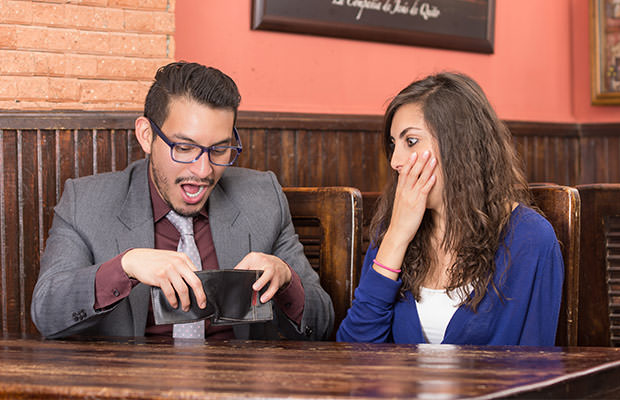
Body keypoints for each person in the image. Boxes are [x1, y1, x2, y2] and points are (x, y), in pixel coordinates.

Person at [31, 61, 334, 340]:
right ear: (147, 135)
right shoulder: (85, 202)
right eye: (185, 148)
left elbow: (320, 326)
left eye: (219, 150)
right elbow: (46, 313)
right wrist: (125, 266)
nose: (203, 171)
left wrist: (285, 280)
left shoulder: (263, 197)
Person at [337, 72, 563, 345]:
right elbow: (354, 350)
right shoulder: (392, 228)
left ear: (458, 146)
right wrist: (396, 237)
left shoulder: (530, 238)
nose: (396, 161)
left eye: (411, 141)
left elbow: (535, 368)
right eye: (393, 144)